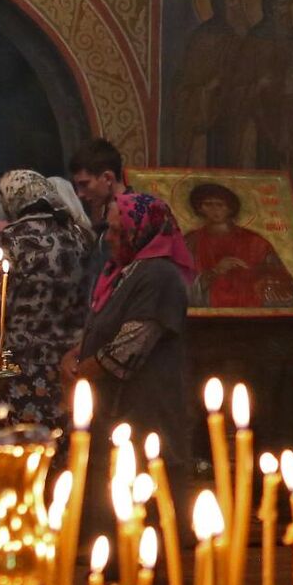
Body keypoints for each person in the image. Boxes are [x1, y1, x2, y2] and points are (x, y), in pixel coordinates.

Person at [75, 192, 195, 479]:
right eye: (108, 229)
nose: (109, 239)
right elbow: (100, 323)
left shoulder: (160, 275)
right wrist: (74, 353)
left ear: (139, 232)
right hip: (112, 408)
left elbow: (129, 347)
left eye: (117, 231)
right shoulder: (123, 269)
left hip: (145, 409)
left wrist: (81, 373)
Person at [0, 171, 88, 429]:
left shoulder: (11, 239)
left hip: (21, 362)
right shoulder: (77, 236)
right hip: (68, 360)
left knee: (21, 441)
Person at [184, 182, 293, 310]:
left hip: (253, 310)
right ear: (199, 208)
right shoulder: (191, 241)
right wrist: (215, 271)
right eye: (208, 204)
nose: (215, 210)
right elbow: (180, 283)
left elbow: (282, 279)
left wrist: (264, 279)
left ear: (230, 208)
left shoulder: (256, 242)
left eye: (220, 205)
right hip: (207, 311)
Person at [66, 139, 123, 299]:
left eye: (84, 184)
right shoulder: (105, 216)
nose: (80, 194)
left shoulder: (134, 218)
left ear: (107, 178)